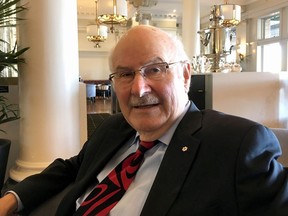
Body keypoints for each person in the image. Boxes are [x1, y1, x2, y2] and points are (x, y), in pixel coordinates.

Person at [0, 25, 288, 216]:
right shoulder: (115, 128)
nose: (139, 88)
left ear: (185, 75)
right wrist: (11, 199)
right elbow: (70, 168)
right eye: (125, 74)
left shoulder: (237, 144)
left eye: (155, 69)